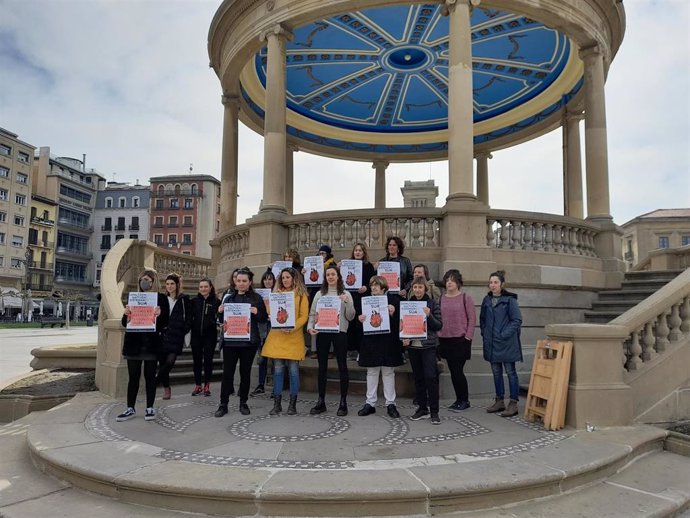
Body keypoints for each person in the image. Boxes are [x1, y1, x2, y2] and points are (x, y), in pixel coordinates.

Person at [215, 268, 268, 417]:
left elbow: (263, 318)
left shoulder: (256, 298)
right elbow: (220, 320)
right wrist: (219, 312)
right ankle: (223, 404)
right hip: (231, 342)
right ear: (235, 282)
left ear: (250, 282)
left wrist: (257, 312)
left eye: (244, 281)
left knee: (245, 374)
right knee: (227, 374)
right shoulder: (228, 297)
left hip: (248, 343)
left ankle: (243, 402)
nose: (241, 284)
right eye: (238, 281)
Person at [117, 270, 169, 422]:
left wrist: (159, 315)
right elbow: (125, 323)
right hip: (134, 344)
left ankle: (150, 407)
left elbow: (165, 322)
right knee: (133, 377)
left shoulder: (161, 299)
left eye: (147, 279)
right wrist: (126, 314)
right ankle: (130, 408)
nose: (144, 282)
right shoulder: (134, 298)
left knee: (150, 377)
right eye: (142, 279)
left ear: (154, 281)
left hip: (151, 345)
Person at [307, 265, 355, 416]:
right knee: (322, 367)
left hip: (340, 332)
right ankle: (321, 401)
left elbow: (351, 316)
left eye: (333, 274)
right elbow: (312, 314)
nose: (330, 277)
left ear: (338, 277)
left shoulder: (345, 293)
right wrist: (310, 327)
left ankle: (343, 402)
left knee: (342, 366)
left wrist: (346, 302)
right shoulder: (320, 294)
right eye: (328, 275)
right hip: (323, 332)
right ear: (325, 278)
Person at [261, 267, 309, 415]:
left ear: (294, 278)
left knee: (294, 371)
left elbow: (304, 316)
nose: (285, 280)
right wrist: (268, 308)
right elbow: (271, 312)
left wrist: (292, 328)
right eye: (283, 278)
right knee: (278, 371)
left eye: (287, 277)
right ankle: (277, 404)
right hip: (277, 337)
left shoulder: (301, 295)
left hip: (293, 337)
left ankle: (292, 404)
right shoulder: (276, 294)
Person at [357, 276, 402, 418]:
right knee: (372, 372)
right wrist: (360, 319)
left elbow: (401, 322)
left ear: (383, 287)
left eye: (377, 285)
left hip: (388, 341)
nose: (374, 288)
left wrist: (393, 313)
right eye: (372, 285)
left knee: (388, 372)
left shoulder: (394, 300)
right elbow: (358, 324)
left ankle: (390, 403)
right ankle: (370, 403)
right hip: (371, 341)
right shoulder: (365, 301)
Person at [479, 270, 523, 418]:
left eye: (496, 282)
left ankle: (513, 402)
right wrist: (485, 333)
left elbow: (516, 320)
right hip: (491, 343)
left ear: (502, 284)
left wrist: (503, 334)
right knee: (496, 372)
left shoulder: (510, 300)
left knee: (510, 372)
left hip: (507, 343)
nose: (493, 285)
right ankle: (499, 400)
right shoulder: (487, 300)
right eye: (491, 282)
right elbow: (483, 319)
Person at [403, 276, 443, 424]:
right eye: (415, 287)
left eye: (420, 287)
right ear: (412, 289)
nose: (417, 290)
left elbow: (439, 325)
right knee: (418, 378)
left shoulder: (432, 304)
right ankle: (422, 408)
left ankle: (434, 411)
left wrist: (429, 315)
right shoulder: (408, 304)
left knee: (430, 378)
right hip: (413, 346)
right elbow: (403, 325)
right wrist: (404, 338)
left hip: (428, 346)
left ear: (425, 289)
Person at [437, 269, 476, 412]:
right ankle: (459, 399)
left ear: (458, 282)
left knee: (458, 370)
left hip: (461, 340)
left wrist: (468, 336)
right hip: (445, 339)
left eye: (452, 280)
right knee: (453, 371)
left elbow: (472, 318)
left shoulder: (465, 297)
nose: (449, 283)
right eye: (447, 280)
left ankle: (464, 400)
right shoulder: (441, 298)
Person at [339, 242, 376, 360]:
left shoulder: (368, 266)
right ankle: (350, 350)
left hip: (362, 298)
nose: (358, 252)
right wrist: (338, 266)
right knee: (349, 324)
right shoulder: (346, 265)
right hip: (349, 297)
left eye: (360, 250)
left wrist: (366, 287)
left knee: (360, 324)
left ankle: (361, 350)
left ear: (364, 253)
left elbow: (372, 283)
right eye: (356, 250)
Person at [157, 273, 192, 400]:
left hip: (176, 336)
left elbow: (189, 317)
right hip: (163, 335)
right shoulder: (162, 299)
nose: (169, 286)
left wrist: (184, 329)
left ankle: (156, 380)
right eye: (167, 284)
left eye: (172, 284)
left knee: (170, 362)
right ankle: (166, 388)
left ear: (177, 285)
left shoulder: (184, 299)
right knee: (162, 363)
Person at [190, 278, 221, 397]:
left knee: (208, 360)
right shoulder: (194, 301)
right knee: (197, 361)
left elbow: (219, 317)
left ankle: (207, 385)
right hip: (196, 335)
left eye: (205, 286)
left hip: (210, 335)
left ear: (210, 287)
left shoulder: (216, 301)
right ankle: (198, 385)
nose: (203, 289)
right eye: (201, 287)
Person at [251, 269, 275, 396]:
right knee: (262, 358)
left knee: (276, 358)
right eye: (265, 279)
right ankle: (261, 384)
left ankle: (276, 386)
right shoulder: (257, 295)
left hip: (274, 327)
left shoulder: (278, 293)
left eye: (270, 279)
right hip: (262, 328)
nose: (267, 281)